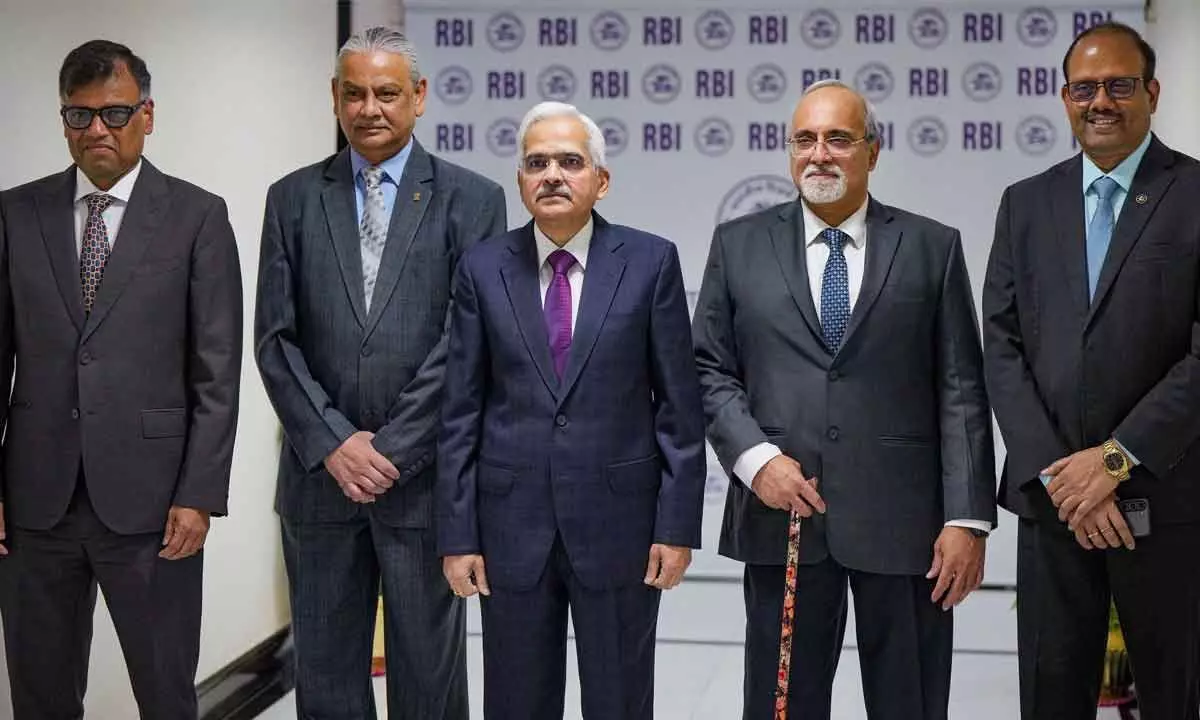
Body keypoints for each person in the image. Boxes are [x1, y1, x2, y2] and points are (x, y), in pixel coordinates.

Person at [692, 79, 995, 720]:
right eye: (804, 139)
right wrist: (755, 462)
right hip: (784, 519)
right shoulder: (738, 245)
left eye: (838, 139)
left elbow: (961, 390)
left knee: (909, 702)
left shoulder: (931, 248)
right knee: (780, 707)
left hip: (908, 528)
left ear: (872, 151)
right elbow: (708, 370)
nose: (819, 154)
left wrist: (967, 518)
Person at [253, 26, 506, 719]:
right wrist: (336, 444)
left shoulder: (472, 200)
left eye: (387, 93)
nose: (371, 108)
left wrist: (388, 451)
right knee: (327, 678)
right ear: (335, 99)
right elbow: (275, 340)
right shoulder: (293, 198)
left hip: (423, 484)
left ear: (419, 97)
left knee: (430, 678)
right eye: (355, 94)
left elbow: (468, 343)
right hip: (319, 482)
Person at [437, 101, 706, 719]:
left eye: (569, 161)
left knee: (619, 700)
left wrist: (675, 526)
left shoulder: (650, 262)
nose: (552, 174)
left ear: (600, 180)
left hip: (621, 528)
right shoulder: (482, 269)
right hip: (509, 530)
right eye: (536, 163)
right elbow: (459, 412)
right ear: (520, 181)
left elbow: (679, 410)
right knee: (516, 701)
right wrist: (458, 534)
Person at [0, 40, 243, 719]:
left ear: (147, 114)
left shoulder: (198, 216)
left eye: (114, 112)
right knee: (39, 698)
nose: (97, 130)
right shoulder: (15, 215)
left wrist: (200, 495)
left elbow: (217, 372)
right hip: (33, 508)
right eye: (79, 116)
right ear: (64, 121)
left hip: (155, 508)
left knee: (166, 696)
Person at [982, 22, 1200, 720]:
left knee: (1180, 697)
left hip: (1169, 505)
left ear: (1153, 93)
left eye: (1118, 85)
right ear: (1064, 98)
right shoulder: (1025, 202)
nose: (1100, 101)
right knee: (1050, 696)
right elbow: (1001, 344)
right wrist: (1060, 473)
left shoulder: (1195, 193)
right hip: (1056, 512)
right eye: (1084, 88)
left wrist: (1113, 460)